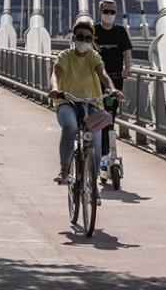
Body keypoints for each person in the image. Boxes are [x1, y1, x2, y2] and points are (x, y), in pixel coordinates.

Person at [47, 20, 124, 205]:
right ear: (73, 38)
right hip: (68, 101)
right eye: (80, 37)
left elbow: (103, 74)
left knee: (96, 146)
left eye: (88, 38)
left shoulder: (93, 56)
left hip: (92, 103)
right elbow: (55, 74)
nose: (84, 40)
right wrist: (55, 88)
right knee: (71, 127)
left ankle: (93, 185)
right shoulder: (65, 55)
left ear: (92, 40)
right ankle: (64, 170)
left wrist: (112, 89)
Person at [93, 0, 133, 170]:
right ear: (100, 11)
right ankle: (95, 151)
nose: (109, 14)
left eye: (112, 12)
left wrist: (128, 68)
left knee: (110, 117)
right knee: (96, 115)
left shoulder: (120, 31)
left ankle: (107, 154)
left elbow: (127, 51)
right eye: (106, 11)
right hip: (95, 81)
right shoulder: (93, 31)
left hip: (115, 80)